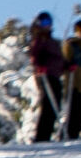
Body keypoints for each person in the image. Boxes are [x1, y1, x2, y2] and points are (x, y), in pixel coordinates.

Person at [26, 12, 68, 143]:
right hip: (45, 76)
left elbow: (59, 59)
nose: (47, 25)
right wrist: (39, 66)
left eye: (49, 22)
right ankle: (41, 137)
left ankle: (48, 135)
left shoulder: (52, 41)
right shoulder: (39, 39)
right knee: (48, 106)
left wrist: (67, 65)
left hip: (55, 75)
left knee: (56, 105)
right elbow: (34, 56)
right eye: (44, 23)